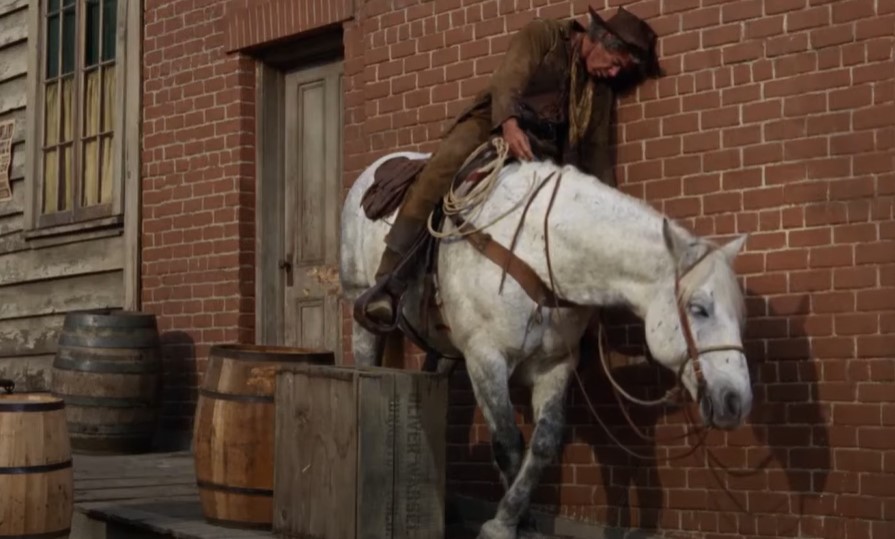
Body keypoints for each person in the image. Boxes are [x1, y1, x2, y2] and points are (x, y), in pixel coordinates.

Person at [356, 6, 661, 332]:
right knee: (439, 172)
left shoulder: (598, 90)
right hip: (491, 124)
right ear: (603, 40)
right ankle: (389, 282)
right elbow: (508, 81)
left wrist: (607, 208)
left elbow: (597, 153)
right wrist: (509, 125)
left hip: (544, 151)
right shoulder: (544, 34)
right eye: (615, 64)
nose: (614, 74)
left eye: (621, 70)